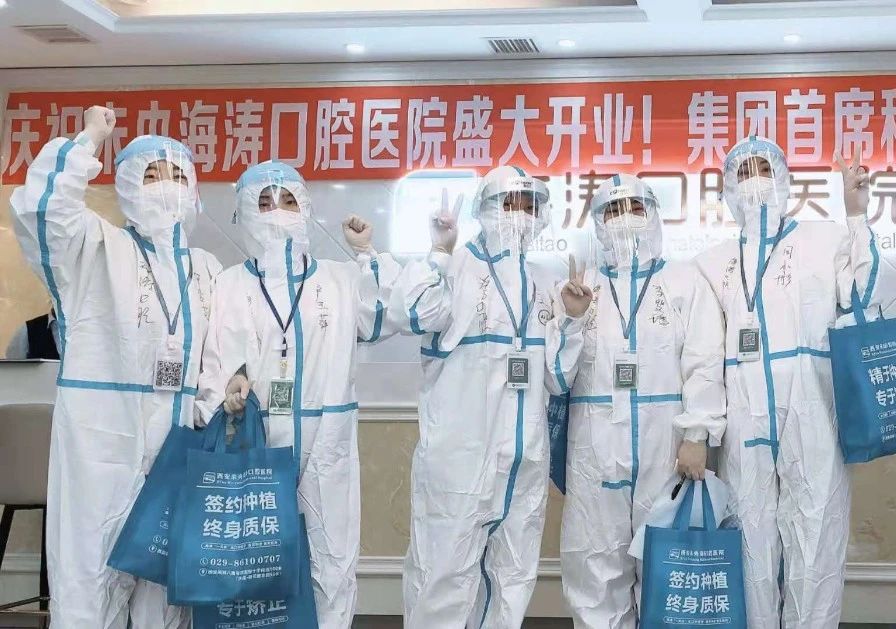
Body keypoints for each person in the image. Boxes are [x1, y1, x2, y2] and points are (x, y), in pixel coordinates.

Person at [8, 106, 220, 628]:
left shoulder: (208, 269)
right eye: (152, 175)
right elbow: (42, 213)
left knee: (166, 589)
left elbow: (224, 353)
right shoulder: (94, 248)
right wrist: (87, 141)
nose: (166, 187)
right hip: (101, 440)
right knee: (88, 579)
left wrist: (209, 405)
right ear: (125, 184)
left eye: (177, 176)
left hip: (179, 443)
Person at [193, 161, 398, 629]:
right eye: (264, 203)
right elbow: (217, 359)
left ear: (305, 208)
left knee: (332, 560)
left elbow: (386, 317)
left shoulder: (339, 279)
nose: (277, 213)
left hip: (327, 440)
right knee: (255, 563)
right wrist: (228, 390)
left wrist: (367, 254)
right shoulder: (229, 284)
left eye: (287, 201)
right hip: (256, 439)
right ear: (244, 212)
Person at [393, 165, 593, 627]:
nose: (520, 214)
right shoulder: (457, 266)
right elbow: (415, 314)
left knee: (513, 575)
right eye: (509, 203)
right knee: (443, 572)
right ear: (485, 208)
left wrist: (572, 320)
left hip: (525, 458)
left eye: (530, 205)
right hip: (461, 455)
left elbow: (558, 378)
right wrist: (439, 253)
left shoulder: (545, 281)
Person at [692, 136, 877, 627]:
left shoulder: (824, 240)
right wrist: (699, 430)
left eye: (764, 170)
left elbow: (859, 294)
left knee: (816, 539)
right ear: (728, 188)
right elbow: (703, 354)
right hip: (743, 421)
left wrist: (856, 215)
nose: (755, 182)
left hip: (812, 412)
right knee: (749, 543)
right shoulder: (710, 264)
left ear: (784, 179)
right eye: (744, 172)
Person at [558, 174, 726, 628]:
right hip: (594, 450)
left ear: (653, 215)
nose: (624, 219)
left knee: (666, 565)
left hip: (664, 445)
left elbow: (704, 360)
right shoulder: (581, 286)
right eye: (612, 211)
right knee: (594, 566)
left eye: (635, 208)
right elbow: (557, 376)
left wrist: (697, 433)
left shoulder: (683, 280)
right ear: (597, 223)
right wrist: (571, 321)